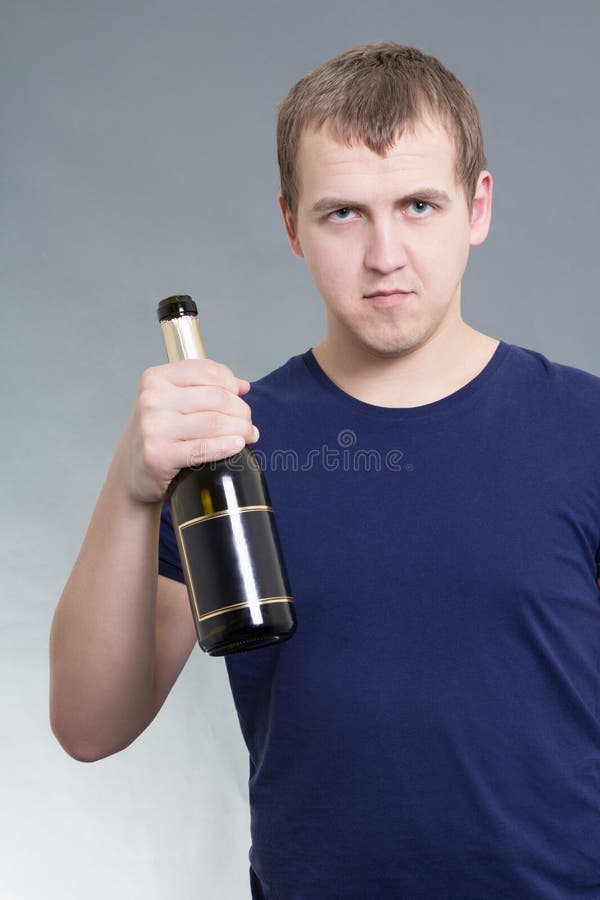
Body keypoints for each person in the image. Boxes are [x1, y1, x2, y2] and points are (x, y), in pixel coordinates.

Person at [50, 42, 600, 898]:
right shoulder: (226, 446)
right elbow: (88, 725)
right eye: (344, 213)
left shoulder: (587, 427)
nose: (386, 254)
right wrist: (129, 490)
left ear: (478, 206)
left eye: (419, 205)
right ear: (290, 223)